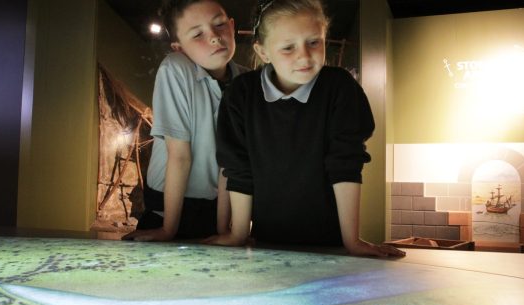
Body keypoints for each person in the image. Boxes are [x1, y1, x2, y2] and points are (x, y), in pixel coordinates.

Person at [209, 0, 404, 257]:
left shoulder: (340, 88)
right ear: (263, 52)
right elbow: (238, 168)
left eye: (314, 42)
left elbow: (345, 163)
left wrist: (352, 242)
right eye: (288, 48)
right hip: (267, 244)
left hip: (331, 245)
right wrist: (238, 234)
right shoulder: (241, 94)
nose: (304, 55)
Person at [123, 0, 246, 241]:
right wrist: (169, 229)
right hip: (166, 208)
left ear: (232, 26)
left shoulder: (246, 81)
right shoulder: (175, 68)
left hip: (215, 209)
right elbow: (180, 155)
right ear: (179, 48)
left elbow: (230, 162)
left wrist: (224, 229)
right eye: (198, 34)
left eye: (219, 24)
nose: (214, 37)